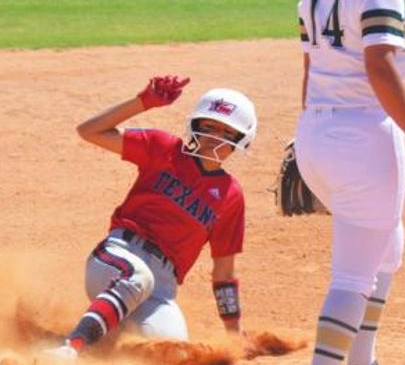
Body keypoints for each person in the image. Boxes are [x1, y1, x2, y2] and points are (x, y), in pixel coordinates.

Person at [43, 75, 258, 359]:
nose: (213, 137)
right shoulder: (163, 149)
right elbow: (89, 131)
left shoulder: (231, 196)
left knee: (172, 352)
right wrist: (143, 102)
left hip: (162, 288)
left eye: (225, 131)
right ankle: (70, 347)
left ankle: (108, 332)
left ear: (241, 140)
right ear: (194, 126)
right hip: (117, 257)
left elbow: (224, 275)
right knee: (137, 276)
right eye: (208, 126)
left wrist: (234, 333)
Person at [294, 0, 405, 364]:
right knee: (353, 276)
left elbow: (311, 67)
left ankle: (362, 359)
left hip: (317, 133)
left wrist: (311, 135)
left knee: (387, 247)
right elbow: (378, 65)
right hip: (362, 138)